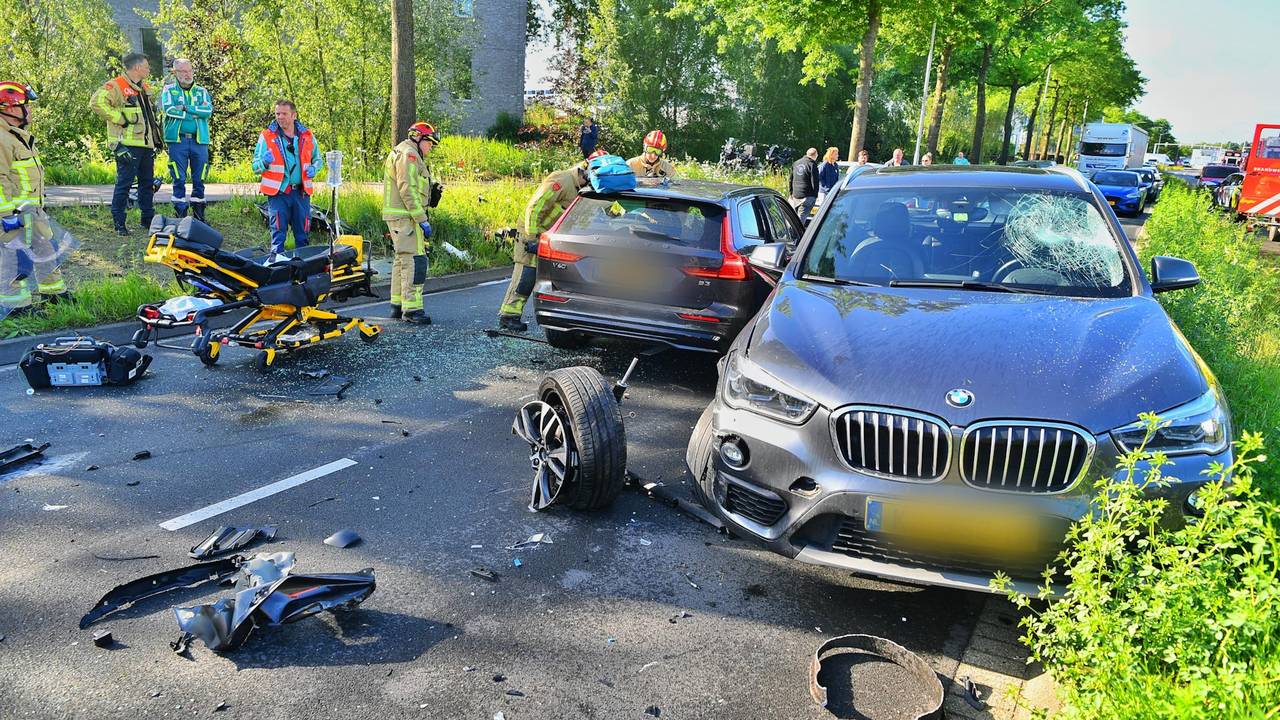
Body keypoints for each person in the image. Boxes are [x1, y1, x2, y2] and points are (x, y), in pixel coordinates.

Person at [497, 153, 598, 331]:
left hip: (550, 239)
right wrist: (531, 238)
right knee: (526, 276)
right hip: (533, 234)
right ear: (587, 169)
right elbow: (535, 207)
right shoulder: (563, 180)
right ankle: (509, 316)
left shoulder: (584, 189)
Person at [0, 82, 69, 317]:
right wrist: (7, 216)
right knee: (13, 259)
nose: (28, 111)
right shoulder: (1, 138)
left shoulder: (16, 136)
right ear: (7, 109)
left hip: (31, 210)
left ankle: (54, 294)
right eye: (23, 106)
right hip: (13, 214)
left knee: (46, 249)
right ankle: (15, 307)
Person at [91, 52, 163, 236]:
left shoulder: (144, 87)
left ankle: (147, 220)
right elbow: (96, 102)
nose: (149, 69)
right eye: (146, 66)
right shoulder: (116, 85)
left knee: (147, 184)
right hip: (127, 145)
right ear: (137, 67)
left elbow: (149, 116)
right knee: (124, 184)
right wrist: (119, 118)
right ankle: (119, 223)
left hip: (145, 145)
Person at [381, 121, 440, 325]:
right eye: (429, 142)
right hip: (406, 217)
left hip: (400, 216)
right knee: (415, 261)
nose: (430, 147)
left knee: (401, 260)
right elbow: (408, 189)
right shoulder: (409, 155)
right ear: (418, 138)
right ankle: (412, 309)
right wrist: (422, 219)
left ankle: (397, 305)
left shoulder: (404, 151)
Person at [252, 100, 322, 254]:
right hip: (278, 194)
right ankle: (278, 268)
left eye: (284, 114)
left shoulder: (307, 136)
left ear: (294, 115)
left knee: (303, 236)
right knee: (278, 236)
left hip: (301, 194)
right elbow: (255, 166)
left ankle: (303, 270)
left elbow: (318, 160)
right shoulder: (266, 136)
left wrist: (314, 169)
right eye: (277, 114)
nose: (280, 117)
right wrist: (264, 162)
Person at [160, 59, 213, 222]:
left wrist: (185, 108)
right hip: (178, 140)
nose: (187, 74)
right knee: (178, 177)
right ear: (175, 73)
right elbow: (169, 110)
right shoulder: (169, 90)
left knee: (200, 178)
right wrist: (196, 113)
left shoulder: (201, 91)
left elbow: (208, 111)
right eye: (183, 71)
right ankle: (180, 215)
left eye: (189, 70)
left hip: (200, 141)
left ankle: (198, 216)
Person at [789, 147, 819, 216]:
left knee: (794, 218)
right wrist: (815, 196)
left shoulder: (796, 163)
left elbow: (791, 179)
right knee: (801, 220)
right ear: (815, 155)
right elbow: (815, 181)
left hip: (795, 195)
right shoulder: (812, 164)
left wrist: (791, 192)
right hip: (807, 196)